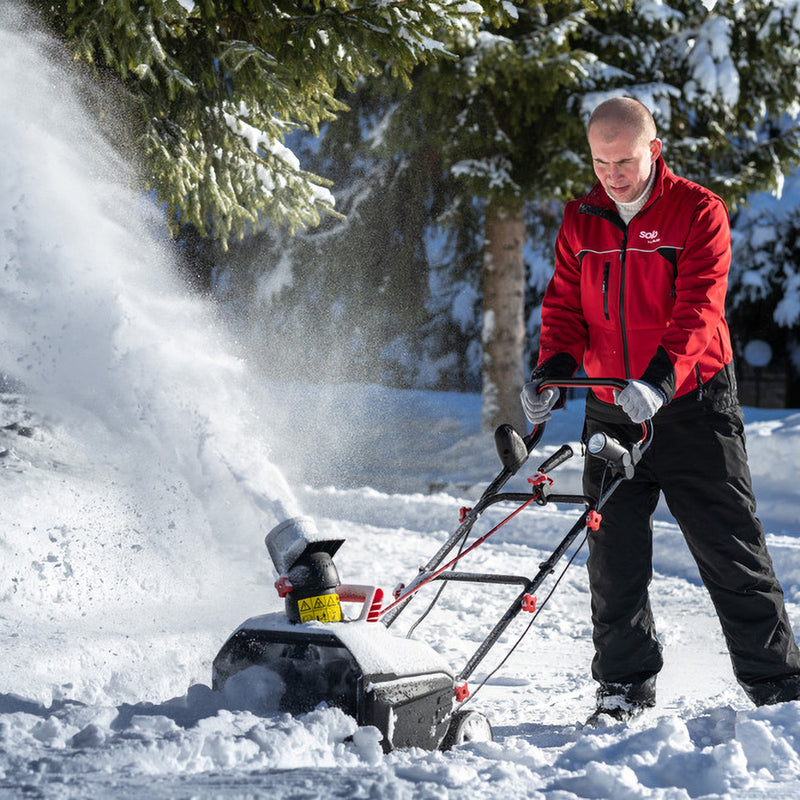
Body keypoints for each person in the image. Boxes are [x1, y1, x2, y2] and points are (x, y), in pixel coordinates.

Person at [521, 96, 800, 723]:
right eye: (599, 162)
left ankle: (780, 689)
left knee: (730, 551)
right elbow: (565, 306)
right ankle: (623, 687)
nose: (612, 175)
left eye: (623, 160)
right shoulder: (582, 219)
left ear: (653, 148)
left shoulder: (696, 211)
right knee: (612, 554)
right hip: (611, 404)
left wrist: (659, 379)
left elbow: (699, 308)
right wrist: (553, 372)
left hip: (693, 404)